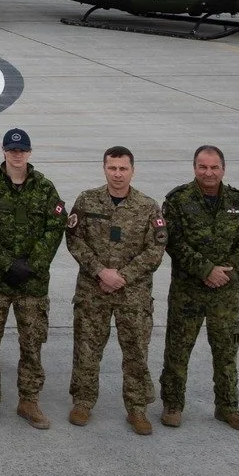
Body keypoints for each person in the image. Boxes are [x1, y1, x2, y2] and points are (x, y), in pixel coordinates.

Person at [0, 127, 65, 429]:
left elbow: (55, 227)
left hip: (32, 283)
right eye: (12, 150)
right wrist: (8, 264)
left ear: (29, 153)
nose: (17, 155)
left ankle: (29, 401)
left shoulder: (45, 188)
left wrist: (31, 265)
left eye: (22, 150)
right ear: (4, 152)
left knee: (32, 345)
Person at [160, 145, 239, 432]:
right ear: (194, 168)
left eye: (214, 167)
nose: (208, 172)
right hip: (187, 290)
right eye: (203, 167)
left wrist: (227, 272)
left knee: (226, 351)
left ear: (223, 169)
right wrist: (206, 270)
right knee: (178, 350)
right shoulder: (178, 200)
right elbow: (172, 242)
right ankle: (173, 404)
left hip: (225, 293)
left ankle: (227, 406)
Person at [66, 146, 166, 434]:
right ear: (104, 169)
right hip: (93, 289)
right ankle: (83, 402)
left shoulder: (147, 206)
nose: (117, 174)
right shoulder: (87, 200)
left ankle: (137, 408)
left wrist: (122, 276)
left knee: (136, 351)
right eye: (112, 168)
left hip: (132, 294)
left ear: (132, 170)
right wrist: (101, 271)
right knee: (87, 349)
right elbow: (74, 239)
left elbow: (156, 249)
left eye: (123, 168)